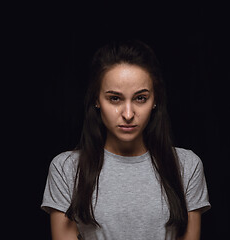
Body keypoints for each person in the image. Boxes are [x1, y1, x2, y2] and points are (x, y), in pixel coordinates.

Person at [41, 39, 211, 240]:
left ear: (155, 100)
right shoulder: (67, 168)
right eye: (115, 98)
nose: (128, 114)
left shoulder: (186, 165)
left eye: (140, 98)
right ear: (97, 99)